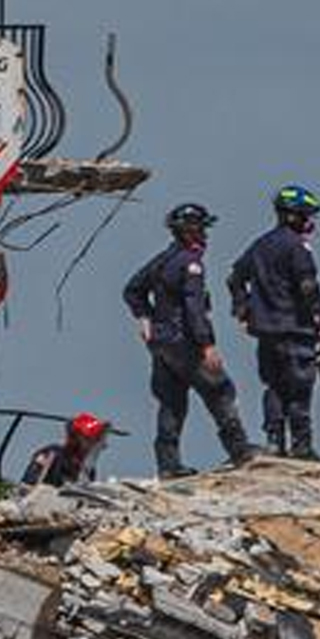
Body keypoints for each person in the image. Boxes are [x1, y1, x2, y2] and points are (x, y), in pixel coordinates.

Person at [123, 202, 258, 476]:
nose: (205, 236)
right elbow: (194, 309)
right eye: (201, 230)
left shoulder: (163, 259)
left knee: (171, 403)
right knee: (220, 390)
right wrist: (207, 345)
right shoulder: (190, 264)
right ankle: (240, 452)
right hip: (185, 342)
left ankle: (168, 465)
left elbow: (132, 289)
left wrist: (146, 318)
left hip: (161, 344)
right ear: (189, 231)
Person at [228, 184, 320, 459]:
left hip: (266, 332)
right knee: (300, 389)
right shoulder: (298, 248)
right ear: (292, 216)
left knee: (273, 386)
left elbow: (234, 277)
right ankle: (302, 446)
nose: (310, 223)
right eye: (306, 216)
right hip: (296, 330)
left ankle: (274, 441)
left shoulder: (260, 245)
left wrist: (243, 309)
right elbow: (308, 287)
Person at [23, 413, 120, 486]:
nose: (95, 444)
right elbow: (29, 485)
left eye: (97, 439)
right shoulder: (51, 454)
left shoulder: (88, 470)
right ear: (75, 438)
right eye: (90, 439)